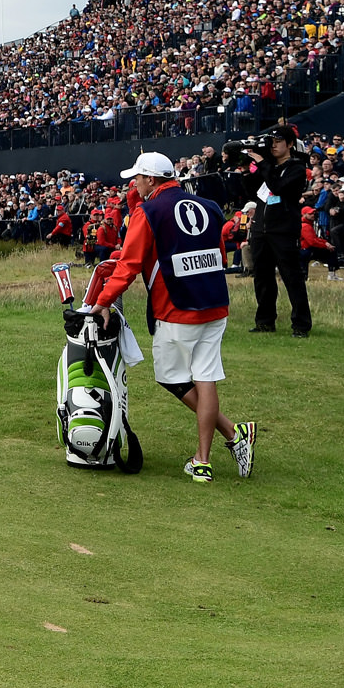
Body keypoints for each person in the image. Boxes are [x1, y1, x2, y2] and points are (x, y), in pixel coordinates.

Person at [87, 151, 255, 484]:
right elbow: (220, 254)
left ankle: (232, 434)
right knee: (205, 377)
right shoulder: (209, 206)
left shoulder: (147, 212)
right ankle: (207, 458)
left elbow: (129, 264)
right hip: (214, 301)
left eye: (137, 178)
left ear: (150, 179)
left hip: (176, 308)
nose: (133, 183)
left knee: (172, 378)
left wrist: (104, 300)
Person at [240, 121, 312, 336]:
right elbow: (251, 190)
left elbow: (278, 187)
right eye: (271, 141)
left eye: (278, 141)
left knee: (292, 277)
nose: (273, 146)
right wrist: (246, 167)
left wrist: (264, 164)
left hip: (283, 229)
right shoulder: (268, 167)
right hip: (262, 228)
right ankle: (264, 321)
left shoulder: (297, 168)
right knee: (262, 277)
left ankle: (301, 324)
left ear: (290, 144)